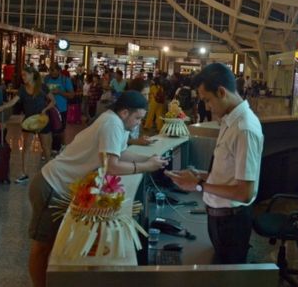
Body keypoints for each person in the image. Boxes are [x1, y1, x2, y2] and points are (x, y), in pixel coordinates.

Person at [27, 91, 168, 287]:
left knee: (53, 243)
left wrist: (148, 159)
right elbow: (111, 165)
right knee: (42, 246)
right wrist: (145, 166)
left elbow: (121, 152)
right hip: (52, 185)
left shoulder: (116, 121)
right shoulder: (111, 124)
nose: (138, 123)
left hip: (60, 185)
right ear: (125, 112)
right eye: (137, 118)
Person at [166, 63, 263, 264]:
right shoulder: (231, 121)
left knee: (227, 277)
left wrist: (198, 185)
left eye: (207, 100)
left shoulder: (245, 128)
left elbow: (244, 193)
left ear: (221, 91)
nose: (207, 107)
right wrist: (199, 174)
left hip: (231, 222)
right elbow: (227, 172)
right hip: (219, 217)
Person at [0, 67, 56, 183]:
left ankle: (49, 174)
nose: (23, 77)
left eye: (25, 75)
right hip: (29, 121)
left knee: (46, 148)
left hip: (42, 120)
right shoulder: (22, 89)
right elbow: (14, 101)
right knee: (26, 147)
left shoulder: (42, 87)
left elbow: (53, 101)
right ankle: (24, 173)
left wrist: (45, 109)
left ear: (32, 75)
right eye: (22, 75)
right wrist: (3, 107)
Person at [44, 64, 75, 153]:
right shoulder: (46, 79)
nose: (52, 73)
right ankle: (50, 148)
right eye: (50, 70)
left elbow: (72, 95)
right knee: (49, 130)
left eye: (53, 70)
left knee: (60, 129)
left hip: (61, 109)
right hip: (49, 108)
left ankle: (61, 146)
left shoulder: (65, 80)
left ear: (59, 71)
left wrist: (60, 92)